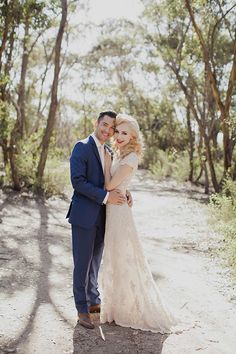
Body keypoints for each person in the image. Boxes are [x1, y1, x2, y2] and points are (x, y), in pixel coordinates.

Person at [100, 113, 176, 333]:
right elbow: (120, 183)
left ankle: (128, 310)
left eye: (126, 133)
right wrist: (127, 189)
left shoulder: (130, 157)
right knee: (115, 257)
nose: (120, 136)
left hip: (120, 213)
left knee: (124, 257)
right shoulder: (120, 153)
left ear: (133, 136)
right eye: (119, 131)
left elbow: (109, 185)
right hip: (115, 209)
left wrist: (107, 163)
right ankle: (116, 307)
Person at [67, 111, 132, 330]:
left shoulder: (109, 151)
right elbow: (78, 182)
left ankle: (94, 300)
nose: (107, 130)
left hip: (104, 216)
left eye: (111, 128)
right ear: (97, 123)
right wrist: (106, 197)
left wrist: (125, 192)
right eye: (104, 124)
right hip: (84, 215)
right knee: (82, 264)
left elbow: (112, 180)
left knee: (95, 261)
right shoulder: (81, 146)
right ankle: (82, 309)